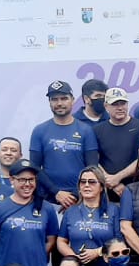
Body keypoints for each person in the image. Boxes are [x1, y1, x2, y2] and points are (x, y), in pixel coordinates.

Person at [0, 160, 59, 266]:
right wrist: (5, 261)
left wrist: (36, 256)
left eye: (31, 180)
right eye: (22, 180)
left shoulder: (47, 208)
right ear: (12, 180)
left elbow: (51, 241)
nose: (27, 184)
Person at [30, 79, 100, 209]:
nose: (59, 103)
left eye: (64, 98)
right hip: (48, 200)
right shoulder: (39, 130)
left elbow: (92, 167)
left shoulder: (86, 130)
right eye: (54, 99)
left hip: (80, 200)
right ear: (49, 102)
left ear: (72, 100)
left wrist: (74, 196)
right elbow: (34, 168)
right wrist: (57, 193)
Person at [56, 166, 119, 266]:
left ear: (101, 187)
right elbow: (61, 241)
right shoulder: (70, 211)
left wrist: (98, 252)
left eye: (92, 182)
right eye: (82, 182)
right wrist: (74, 258)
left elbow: (120, 241)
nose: (86, 185)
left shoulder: (113, 210)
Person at [92, 87, 139, 197]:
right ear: (106, 106)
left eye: (123, 103)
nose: (120, 108)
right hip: (106, 192)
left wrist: (117, 178)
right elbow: (94, 160)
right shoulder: (97, 130)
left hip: (136, 190)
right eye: (115, 104)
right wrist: (111, 182)